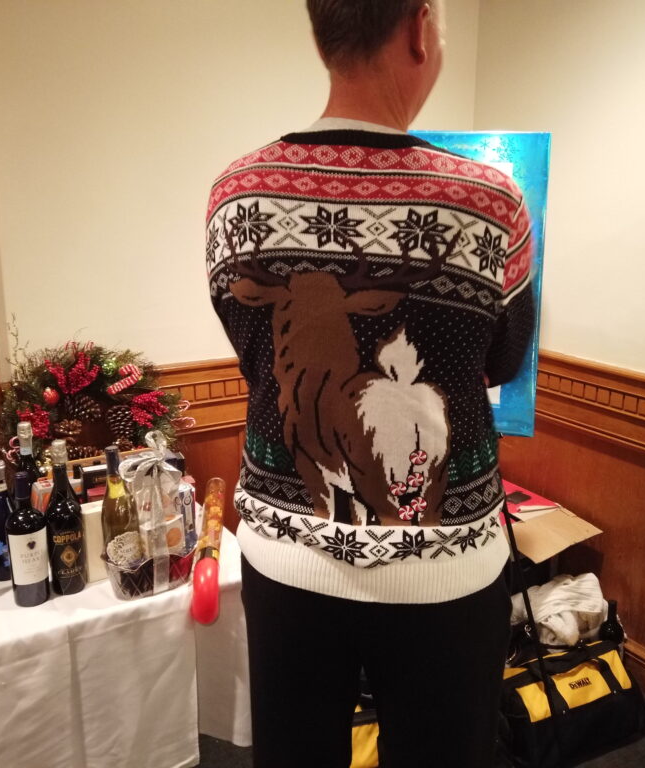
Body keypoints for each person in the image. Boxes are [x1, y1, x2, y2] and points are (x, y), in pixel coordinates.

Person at [205, 1, 536, 765]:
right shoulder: (492, 204)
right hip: (445, 566)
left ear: (323, 31)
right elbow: (504, 361)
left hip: (286, 560)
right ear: (420, 27)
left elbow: (254, 356)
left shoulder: (236, 194)